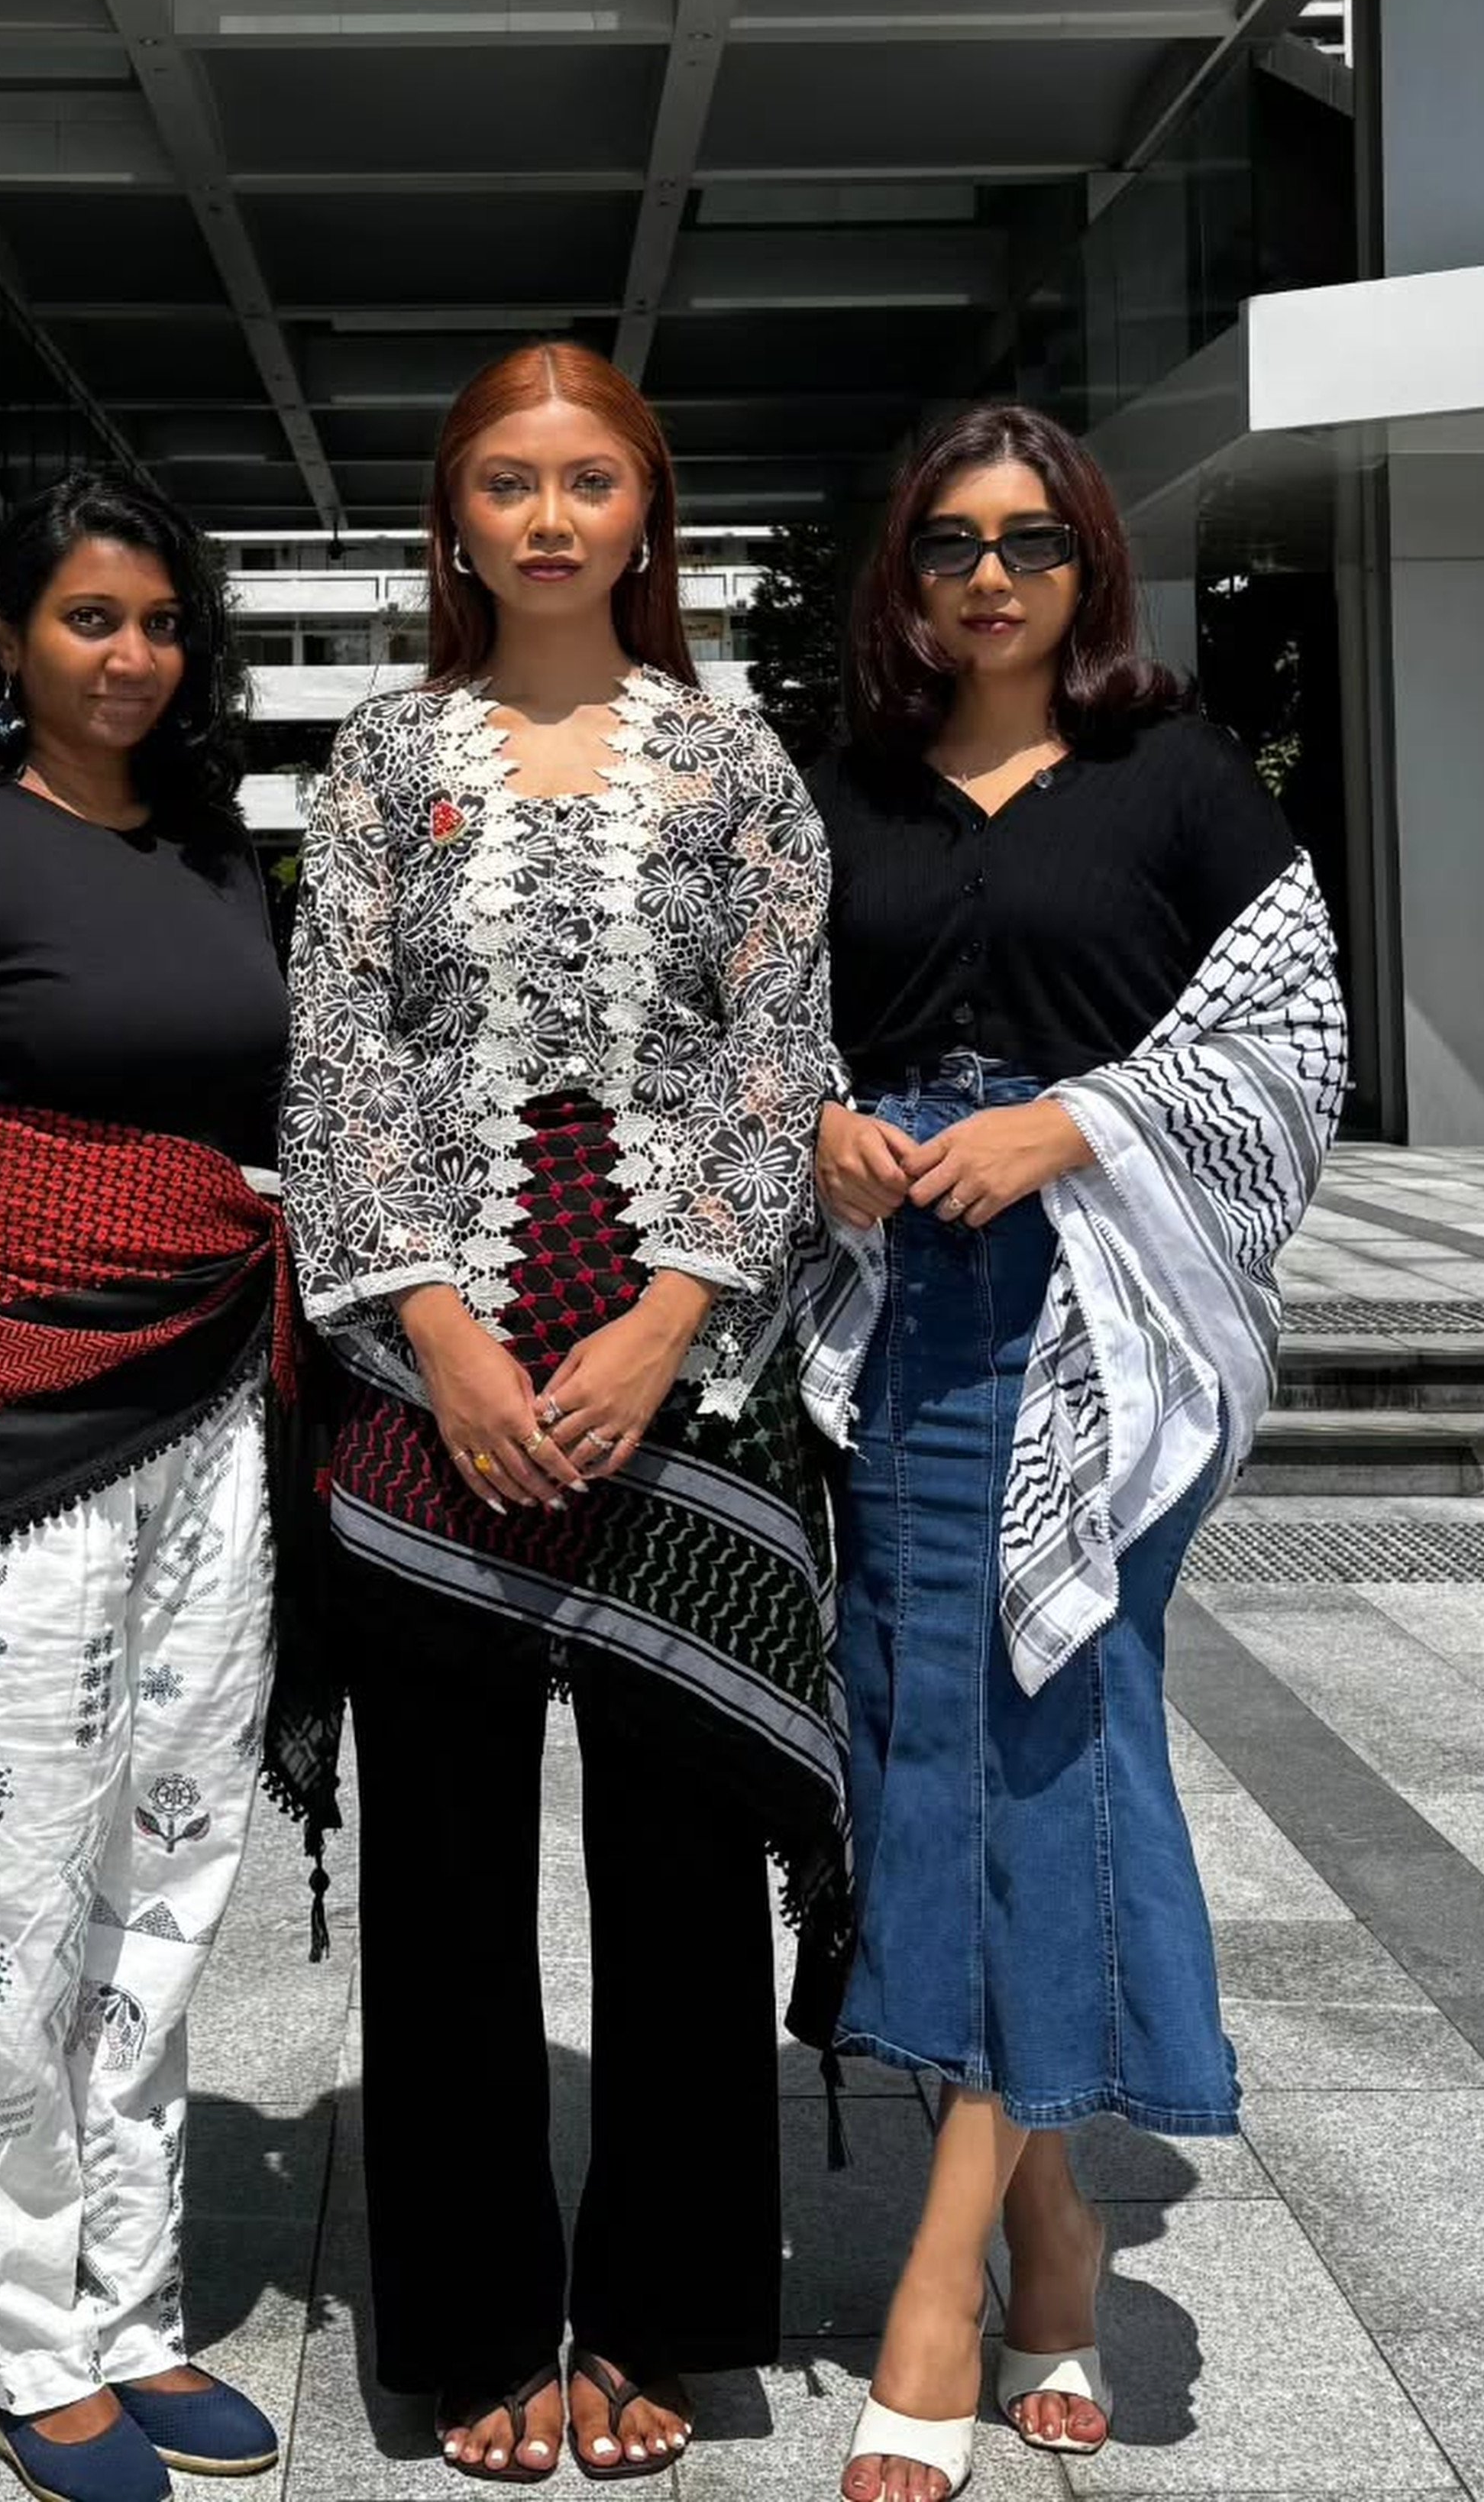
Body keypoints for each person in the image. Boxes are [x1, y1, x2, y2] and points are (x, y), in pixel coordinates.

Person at [280, 342, 849, 2485]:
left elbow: (777, 1049)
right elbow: (334, 1055)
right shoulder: (378, 760)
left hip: (677, 1371)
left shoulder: (735, 763)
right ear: (453, 516)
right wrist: (436, 1332)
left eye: (585, 479)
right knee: (439, 1874)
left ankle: (669, 2313)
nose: (543, 515)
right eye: (505, 480)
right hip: (439, 1365)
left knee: (684, 1861)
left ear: (644, 515)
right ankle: (472, 2323)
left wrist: (665, 1322)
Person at [803, 406, 1347, 2502]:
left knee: (1053, 1730)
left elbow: (1293, 1047)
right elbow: (759, 1032)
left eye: (1033, 540)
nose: (993, 573)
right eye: (951, 539)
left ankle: (940, 2289)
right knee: (925, 1741)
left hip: (1109, 1324)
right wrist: (827, 1127)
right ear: (907, 573)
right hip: (903, 1310)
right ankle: (1053, 2235)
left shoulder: (1176, 779)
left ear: (1086, 564)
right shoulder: (838, 790)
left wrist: (1084, 1120)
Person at [0, 468, 302, 2502]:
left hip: (212, 1423)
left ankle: (131, 2309)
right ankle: (22, 2347)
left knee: (170, 1885)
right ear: (5, 637)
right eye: (90, 617)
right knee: (7, 1913)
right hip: (4, 1450)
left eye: (161, 621)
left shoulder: (211, 853)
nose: (131, 655)